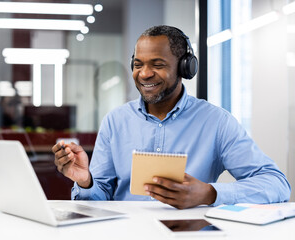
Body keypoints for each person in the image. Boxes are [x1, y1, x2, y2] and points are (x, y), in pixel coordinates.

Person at [52, 25, 290, 209]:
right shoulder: (116, 121)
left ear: (185, 68)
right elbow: (99, 198)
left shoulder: (216, 122)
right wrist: (85, 181)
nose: (144, 73)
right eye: (138, 64)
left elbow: (276, 184)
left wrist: (210, 193)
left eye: (157, 64)